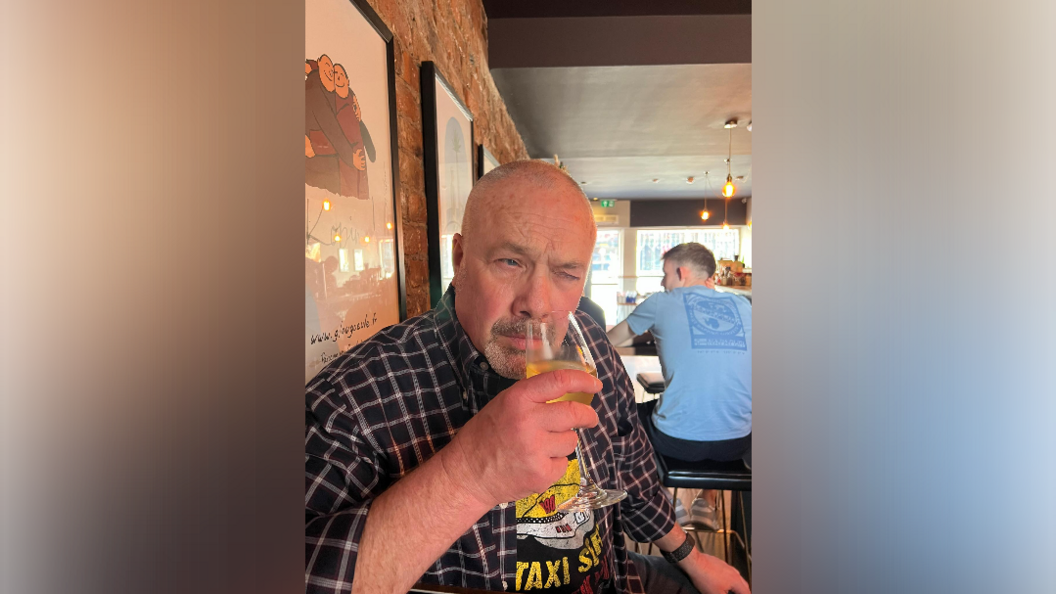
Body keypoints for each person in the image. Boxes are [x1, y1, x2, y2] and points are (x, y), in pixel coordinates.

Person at [306, 162, 749, 594]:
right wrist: (468, 475)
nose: (537, 303)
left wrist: (693, 556)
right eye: (510, 262)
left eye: (566, 273)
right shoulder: (354, 397)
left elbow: (630, 466)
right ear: (460, 259)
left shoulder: (589, 343)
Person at [606, 243, 751, 528]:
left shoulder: (661, 301)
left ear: (681, 272)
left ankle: (664, 502)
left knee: (620, 420)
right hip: (739, 444)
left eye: (665, 273)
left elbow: (606, 343)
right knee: (720, 408)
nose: (663, 281)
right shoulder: (743, 305)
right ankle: (707, 503)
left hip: (677, 443)